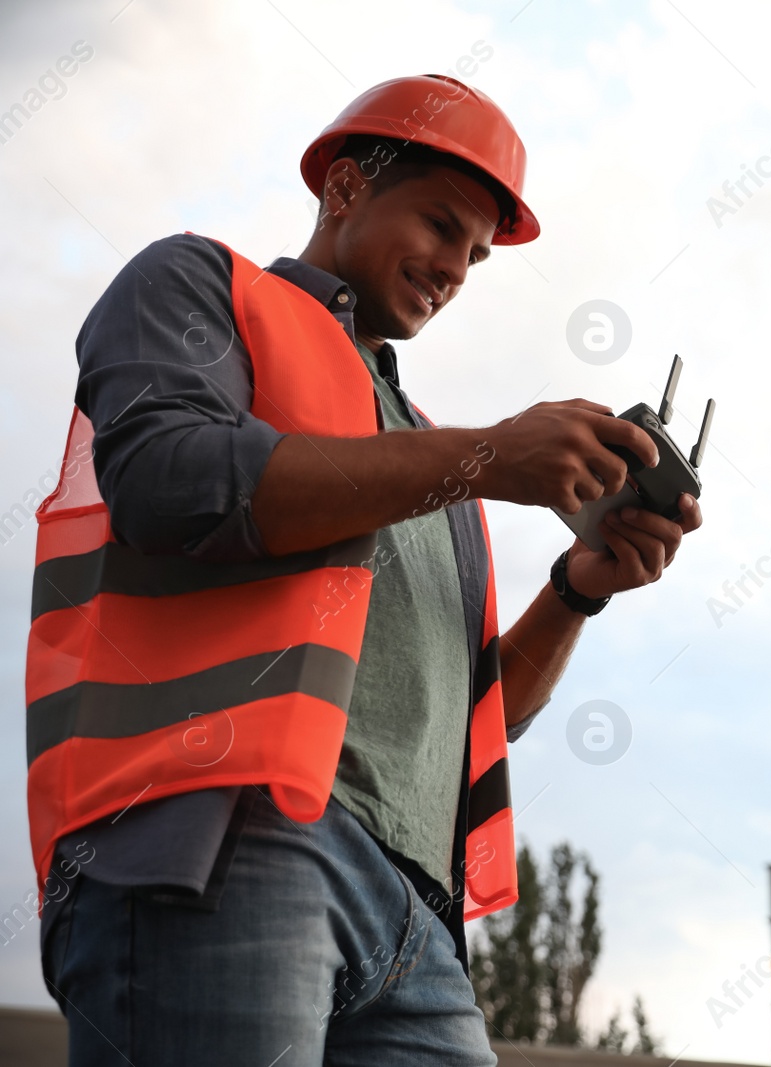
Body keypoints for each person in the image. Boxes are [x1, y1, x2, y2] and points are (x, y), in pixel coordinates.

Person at [25, 74, 700, 1066]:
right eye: (439, 225)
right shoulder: (203, 285)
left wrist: (576, 589)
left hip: (416, 928)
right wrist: (488, 456)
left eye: (474, 253)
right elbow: (169, 478)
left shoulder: (442, 470)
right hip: (223, 842)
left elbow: (471, 720)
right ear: (345, 189)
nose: (456, 269)